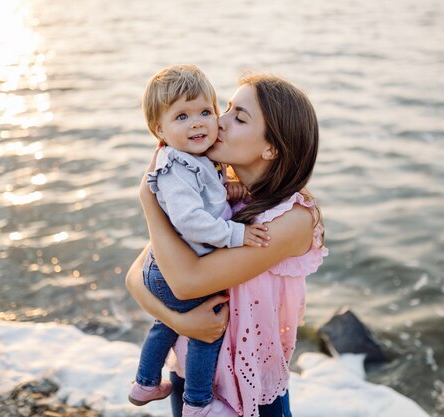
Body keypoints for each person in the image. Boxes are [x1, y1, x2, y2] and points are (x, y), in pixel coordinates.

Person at [126, 73, 327, 417]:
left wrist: (149, 200)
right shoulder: (214, 196)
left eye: (239, 117)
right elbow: (136, 276)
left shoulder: (291, 220)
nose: (219, 120)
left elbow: (186, 282)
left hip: (250, 387)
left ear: (271, 147)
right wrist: (180, 322)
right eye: (228, 108)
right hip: (192, 379)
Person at [128, 65, 270, 415]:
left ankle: (145, 382)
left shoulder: (196, 158)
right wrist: (237, 233)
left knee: (167, 325)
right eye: (182, 116)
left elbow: (207, 192)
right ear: (159, 130)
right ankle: (197, 403)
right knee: (208, 333)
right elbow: (191, 220)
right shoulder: (176, 166)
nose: (198, 123)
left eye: (206, 112)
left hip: (163, 266)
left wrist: (228, 188)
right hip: (171, 271)